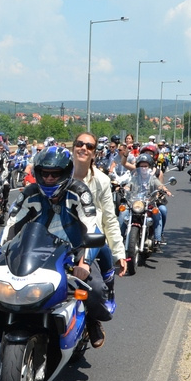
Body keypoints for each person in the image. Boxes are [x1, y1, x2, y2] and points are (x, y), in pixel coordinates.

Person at [1, 146, 108, 347]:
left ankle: (92, 320)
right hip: (36, 253)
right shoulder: (29, 193)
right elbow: (11, 224)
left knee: (94, 288)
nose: (49, 178)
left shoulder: (79, 192)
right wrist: (1, 253)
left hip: (72, 252)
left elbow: (91, 224)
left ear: (65, 173)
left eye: (55, 174)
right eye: (45, 173)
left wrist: (84, 263)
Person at [71, 132, 128, 335]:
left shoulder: (101, 181)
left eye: (89, 146)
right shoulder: (58, 174)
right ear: (73, 147)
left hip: (89, 242)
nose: (84, 148)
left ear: (94, 153)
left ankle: (92, 319)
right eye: (80, 144)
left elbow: (110, 220)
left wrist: (119, 252)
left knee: (93, 288)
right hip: (59, 240)